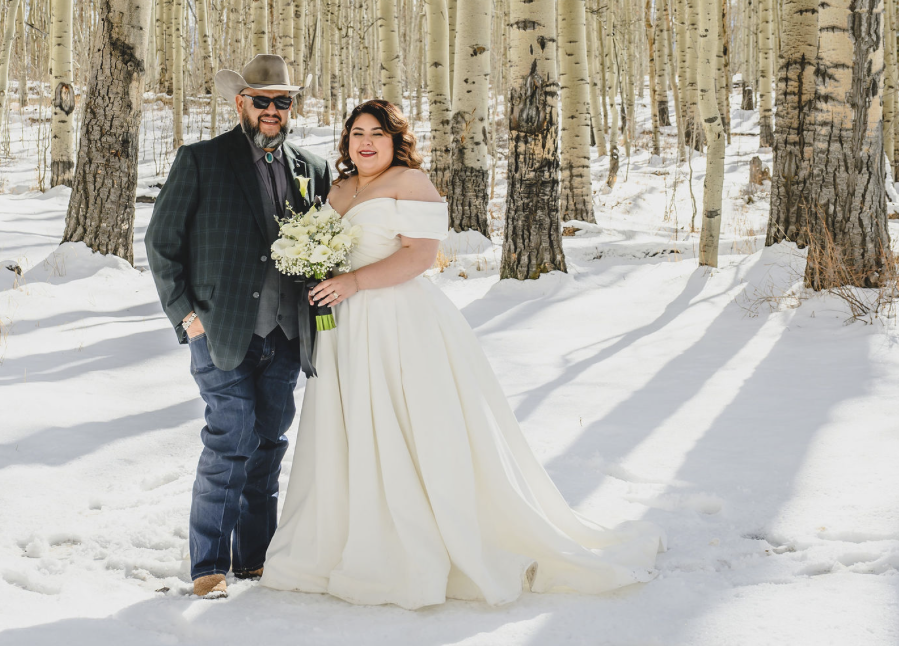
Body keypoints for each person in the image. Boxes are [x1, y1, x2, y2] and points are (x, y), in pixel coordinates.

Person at [262, 99, 663, 609]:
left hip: (396, 320)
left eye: (377, 134)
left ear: (395, 140)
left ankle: (424, 540)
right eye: (356, 132)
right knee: (354, 427)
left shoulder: (411, 183)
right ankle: (348, 534)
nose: (365, 141)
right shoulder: (338, 188)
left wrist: (353, 281)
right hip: (344, 325)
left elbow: (421, 256)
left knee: (409, 425)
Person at [145, 54, 331, 599]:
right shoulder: (202, 160)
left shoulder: (311, 168)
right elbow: (162, 244)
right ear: (240, 103)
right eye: (261, 101)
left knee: (269, 443)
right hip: (219, 329)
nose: (272, 110)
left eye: (282, 101)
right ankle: (208, 564)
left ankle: (254, 558)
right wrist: (185, 315)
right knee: (231, 438)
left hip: (286, 334)